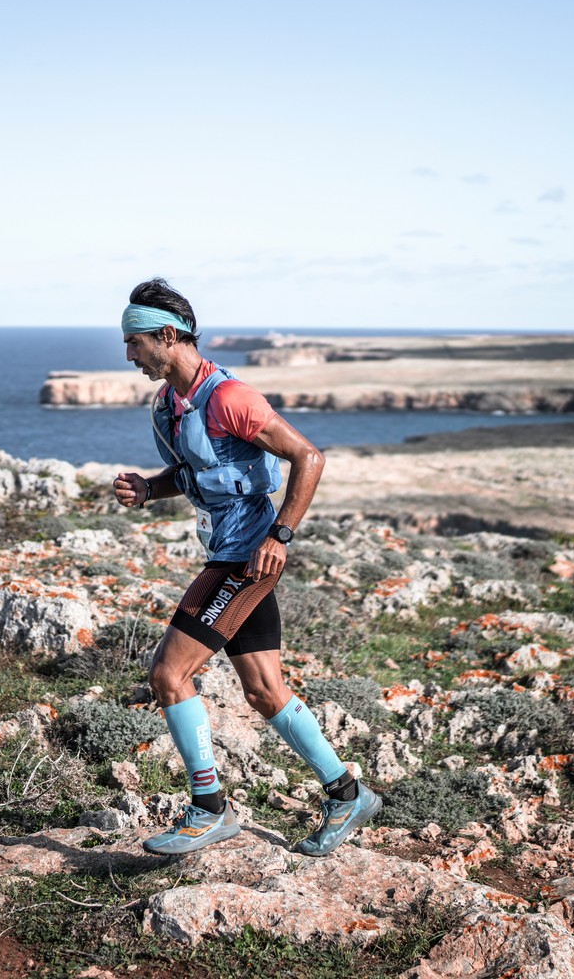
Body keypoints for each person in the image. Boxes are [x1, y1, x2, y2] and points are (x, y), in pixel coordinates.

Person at [111, 278, 381, 856]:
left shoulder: (230, 397)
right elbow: (197, 471)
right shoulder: (170, 403)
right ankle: (348, 794)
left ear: (167, 336)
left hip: (246, 558)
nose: (128, 354)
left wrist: (280, 536)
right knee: (263, 689)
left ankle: (210, 809)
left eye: (135, 342)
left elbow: (308, 457)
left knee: (168, 676)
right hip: (228, 551)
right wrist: (149, 488)